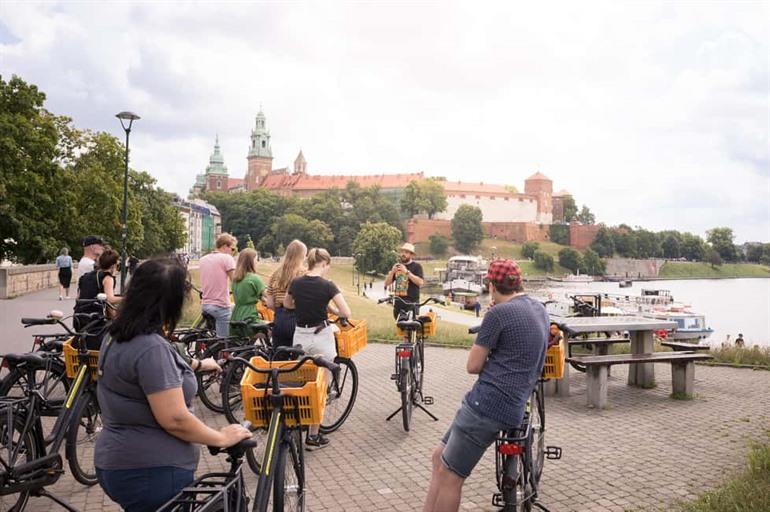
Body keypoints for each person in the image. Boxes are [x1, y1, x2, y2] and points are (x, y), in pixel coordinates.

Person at [95, 257, 251, 512]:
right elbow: (175, 419)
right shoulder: (150, 348)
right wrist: (220, 437)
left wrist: (197, 365)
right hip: (151, 471)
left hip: (117, 461)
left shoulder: (116, 335)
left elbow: (145, 375)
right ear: (171, 302)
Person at [423, 259, 548, 512]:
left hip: (486, 406)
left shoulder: (497, 315)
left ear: (491, 285)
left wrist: (492, 317)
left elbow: (473, 365)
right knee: (439, 457)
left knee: (451, 476)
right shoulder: (539, 308)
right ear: (519, 282)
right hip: (514, 405)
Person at [284, 248, 351, 449]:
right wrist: (331, 309)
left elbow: (288, 305)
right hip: (321, 336)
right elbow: (346, 312)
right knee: (320, 387)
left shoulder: (296, 282)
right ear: (323, 263)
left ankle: (297, 424)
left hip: (300, 336)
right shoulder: (328, 286)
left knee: (302, 382)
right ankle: (313, 435)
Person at [264, 240, 307, 350]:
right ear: (302, 256)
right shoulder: (303, 274)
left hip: (279, 319)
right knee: (298, 361)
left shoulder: (275, 274)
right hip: (298, 320)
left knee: (278, 359)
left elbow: (269, 303)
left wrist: (280, 312)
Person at [74, 248, 123, 333]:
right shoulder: (107, 278)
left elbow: (78, 297)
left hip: (79, 319)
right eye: (118, 266)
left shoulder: (85, 276)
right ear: (113, 266)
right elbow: (109, 300)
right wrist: (129, 298)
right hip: (95, 321)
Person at [199, 233, 237, 337]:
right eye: (232, 249)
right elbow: (235, 281)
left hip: (205, 304)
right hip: (220, 306)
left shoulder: (203, 259)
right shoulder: (227, 258)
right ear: (225, 246)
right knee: (224, 342)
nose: (232, 252)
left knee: (234, 307)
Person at [230, 248, 266, 337]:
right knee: (270, 329)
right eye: (256, 259)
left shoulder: (235, 279)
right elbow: (268, 296)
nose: (257, 262)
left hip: (236, 315)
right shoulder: (254, 278)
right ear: (251, 262)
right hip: (249, 317)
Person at [384, 242, 424, 319]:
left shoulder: (417, 266)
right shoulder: (397, 266)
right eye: (402, 252)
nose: (403, 254)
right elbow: (386, 283)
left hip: (412, 303)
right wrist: (392, 272)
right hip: (399, 303)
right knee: (399, 328)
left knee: (411, 327)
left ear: (411, 255)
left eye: (406, 252)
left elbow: (420, 282)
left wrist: (406, 272)